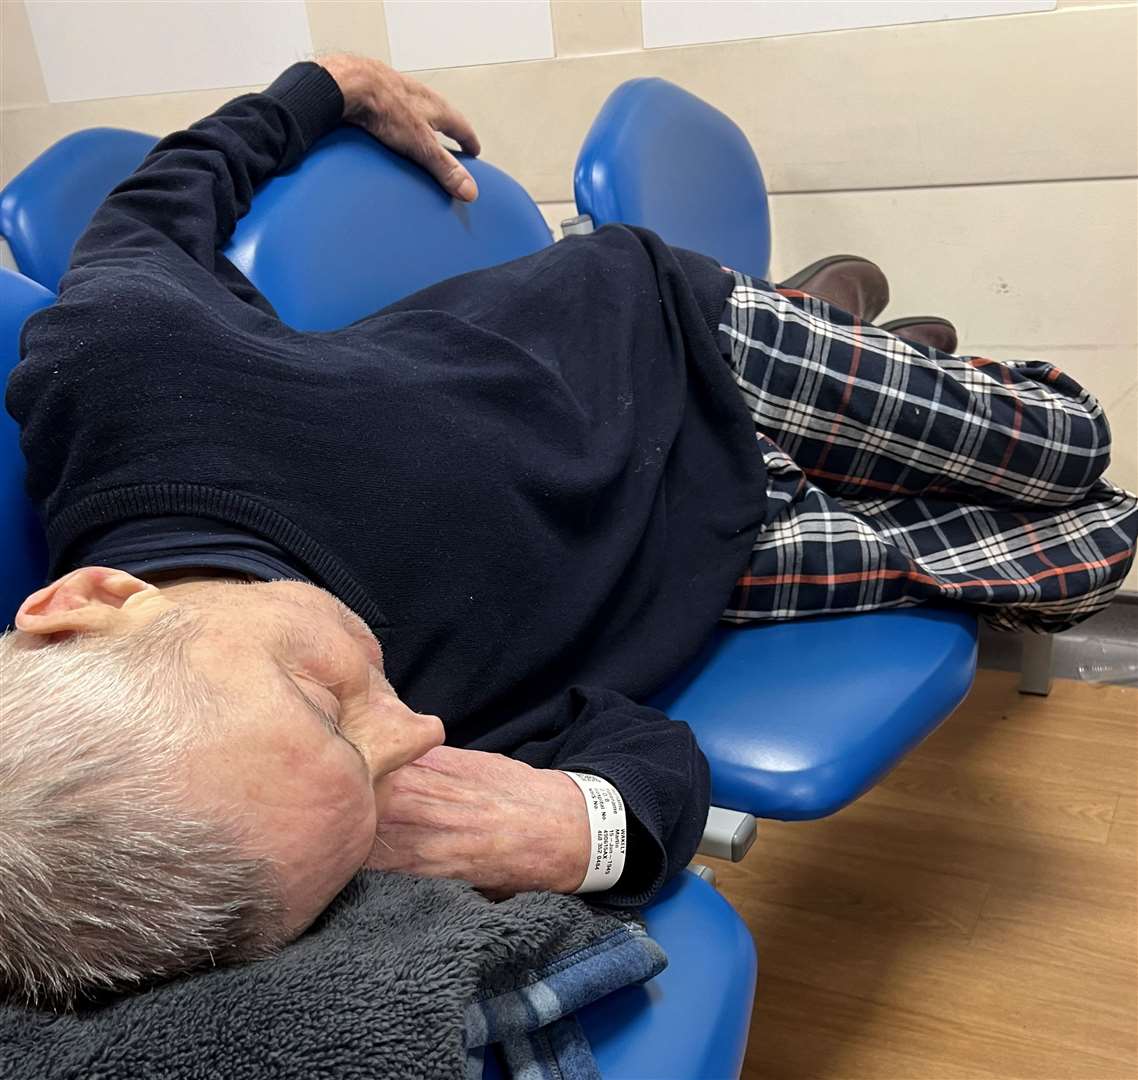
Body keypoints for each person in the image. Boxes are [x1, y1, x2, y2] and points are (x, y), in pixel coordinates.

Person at [2, 52, 1135, 1010]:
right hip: (707, 560)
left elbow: (166, 195)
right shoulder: (355, 779)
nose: (417, 726)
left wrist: (331, 84)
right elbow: (649, 752)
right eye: (372, 791)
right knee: (1098, 544)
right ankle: (858, 343)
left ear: (91, 602)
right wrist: (580, 827)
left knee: (1073, 444)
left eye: (321, 699)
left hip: (668, 347)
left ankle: (819, 327)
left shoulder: (119, 364)